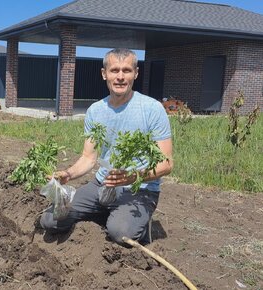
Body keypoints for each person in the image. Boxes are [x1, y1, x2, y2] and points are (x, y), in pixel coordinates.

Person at [40, 48, 173, 245]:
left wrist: (132, 176)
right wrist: (67, 174)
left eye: (126, 70)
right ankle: (109, 212)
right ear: (104, 74)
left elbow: (166, 164)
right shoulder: (95, 110)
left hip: (140, 190)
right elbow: (88, 158)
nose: (120, 77)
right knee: (50, 220)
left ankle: (128, 220)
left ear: (136, 74)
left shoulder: (152, 109)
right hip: (102, 184)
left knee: (120, 233)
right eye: (114, 70)